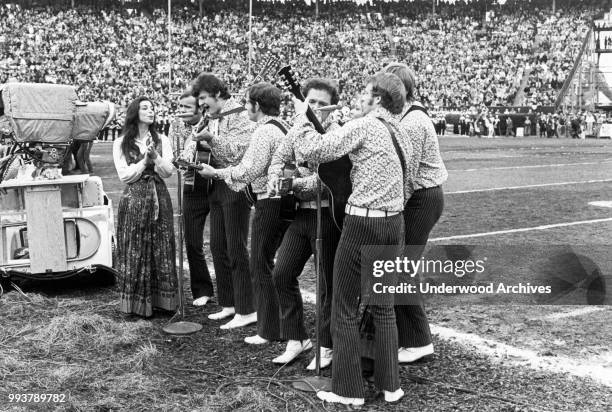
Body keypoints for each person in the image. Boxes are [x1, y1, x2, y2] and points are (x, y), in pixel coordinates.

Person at [290, 72, 412, 406]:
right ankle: (390, 386)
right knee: (383, 308)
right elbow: (408, 178)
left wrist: (302, 115)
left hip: (362, 223)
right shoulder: (400, 130)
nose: (359, 98)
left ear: (377, 99)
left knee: (343, 306)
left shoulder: (366, 125)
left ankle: (347, 389)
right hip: (394, 222)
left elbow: (314, 150)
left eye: (364, 94)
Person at [198, 82, 289, 342]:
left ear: (256, 105)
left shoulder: (263, 131)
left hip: (268, 199)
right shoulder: (277, 126)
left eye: (248, 102)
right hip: (272, 197)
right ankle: (273, 325)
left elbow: (248, 169)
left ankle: (270, 327)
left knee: (260, 264)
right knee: (264, 263)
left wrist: (216, 172)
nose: (244, 106)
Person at [266, 78, 341, 368]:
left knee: (327, 285)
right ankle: (296, 337)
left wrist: (292, 184)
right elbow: (277, 159)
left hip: (328, 216)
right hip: (300, 215)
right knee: (282, 273)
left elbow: (326, 180)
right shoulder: (297, 129)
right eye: (311, 102)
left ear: (332, 107)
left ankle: (327, 345)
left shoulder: (337, 133)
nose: (317, 108)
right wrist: (276, 178)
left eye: (323, 103)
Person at [383, 62, 447, 364]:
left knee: (400, 268)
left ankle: (419, 340)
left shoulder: (411, 122)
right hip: (421, 196)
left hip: (421, 197)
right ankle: (409, 337)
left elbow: (406, 175)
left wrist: (390, 210)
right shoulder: (408, 116)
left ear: (404, 90)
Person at [190, 73, 256, 329]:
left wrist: (210, 138)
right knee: (218, 246)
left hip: (235, 184)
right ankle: (229, 303)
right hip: (215, 182)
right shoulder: (211, 116)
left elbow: (237, 152)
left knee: (236, 248)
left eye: (204, 98)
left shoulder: (238, 113)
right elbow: (204, 148)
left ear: (217, 93)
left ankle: (247, 308)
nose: (202, 104)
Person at [113, 96, 178, 317]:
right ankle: (136, 303)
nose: (151, 111)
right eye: (145, 108)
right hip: (134, 199)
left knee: (161, 244)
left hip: (158, 195)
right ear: (135, 112)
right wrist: (144, 161)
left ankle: (163, 301)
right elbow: (125, 175)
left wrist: (156, 156)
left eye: (152, 108)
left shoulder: (163, 140)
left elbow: (168, 171)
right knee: (135, 247)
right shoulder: (121, 142)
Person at [171, 87, 214, 307]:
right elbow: (175, 155)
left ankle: (233, 293)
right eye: (180, 106)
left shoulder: (212, 123)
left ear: (201, 108)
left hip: (215, 186)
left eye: (188, 107)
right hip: (192, 188)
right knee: (192, 241)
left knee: (221, 243)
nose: (183, 110)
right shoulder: (176, 126)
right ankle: (202, 289)